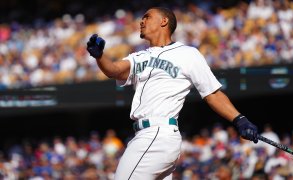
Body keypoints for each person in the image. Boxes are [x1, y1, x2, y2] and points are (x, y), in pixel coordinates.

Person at [86, 7, 259, 180]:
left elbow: (212, 93)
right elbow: (114, 70)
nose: (141, 21)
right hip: (148, 136)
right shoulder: (138, 56)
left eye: (147, 17)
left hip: (157, 133)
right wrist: (99, 56)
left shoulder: (187, 54)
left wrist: (239, 119)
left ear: (164, 21)